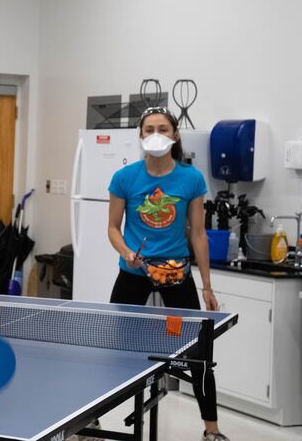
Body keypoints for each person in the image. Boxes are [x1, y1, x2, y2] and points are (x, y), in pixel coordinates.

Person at [107, 106, 229, 441]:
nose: (155, 134)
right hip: (133, 273)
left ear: (175, 135)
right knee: (109, 348)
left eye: (162, 128)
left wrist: (206, 285)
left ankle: (212, 430)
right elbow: (113, 229)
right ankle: (93, 422)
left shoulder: (191, 179)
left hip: (176, 274)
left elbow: (198, 234)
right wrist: (127, 253)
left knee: (198, 354)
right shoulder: (124, 178)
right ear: (141, 135)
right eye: (148, 129)